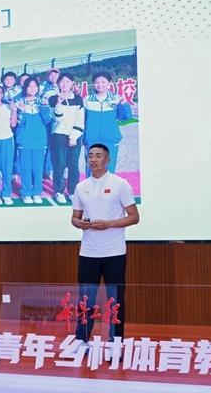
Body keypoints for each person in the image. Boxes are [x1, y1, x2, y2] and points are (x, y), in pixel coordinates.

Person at [71, 143, 139, 344]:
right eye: (90, 156)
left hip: (114, 252)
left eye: (98, 156)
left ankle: (115, 342)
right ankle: (82, 340)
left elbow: (134, 216)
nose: (93, 159)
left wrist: (109, 224)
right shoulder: (81, 187)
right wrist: (80, 224)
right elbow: (74, 218)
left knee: (114, 300)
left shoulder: (120, 184)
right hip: (88, 252)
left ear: (107, 160)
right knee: (85, 300)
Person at [83, 72, 133, 176]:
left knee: (109, 169)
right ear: (93, 84)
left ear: (109, 83)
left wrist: (123, 104)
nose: (100, 85)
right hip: (91, 141)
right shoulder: (87, 100)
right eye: (97, 82)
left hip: (111, 140)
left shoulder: (116, 99)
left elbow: (125, 118)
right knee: (92, 168)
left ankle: (108, 187)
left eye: (103, 82)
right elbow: (81, 120)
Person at [48, 72, 85, 204]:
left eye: (68, 82)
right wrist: (58, 104)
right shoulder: (53, 99)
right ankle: (58, 191)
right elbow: (55, 119)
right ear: (58, 83)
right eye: (62, 82)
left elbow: (80, 120)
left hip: (75, 136)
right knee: (60, 164)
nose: (65, 84)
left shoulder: (78, 99)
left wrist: (74, 136)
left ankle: (73, 192)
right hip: (58, 135)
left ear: (72, 84)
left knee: (73, 165)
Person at [15, 77, 51, 204]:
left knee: (37, 168)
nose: (32, 88)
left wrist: (44, 107)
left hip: (39, 140)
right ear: (25, 88)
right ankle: (26, 192)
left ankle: (36, 192)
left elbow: (47, 120)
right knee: (25, 168)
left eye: (35, 86)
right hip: (24, 141)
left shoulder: (43, 102)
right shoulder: (19, 102)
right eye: (29, 86)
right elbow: (18, 123)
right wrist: (21, 111)